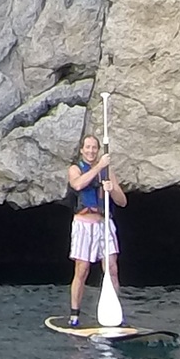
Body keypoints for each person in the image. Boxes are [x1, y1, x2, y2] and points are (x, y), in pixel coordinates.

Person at [65, 134, 127, 326]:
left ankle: (115, 313)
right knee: (82, 270)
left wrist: (111, 189)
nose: (91, 151)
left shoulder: (107, 172)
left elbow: (122, 202)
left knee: (111, 268)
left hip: (103, 224)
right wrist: (99, 167)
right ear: (82, 150)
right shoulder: (75, 169)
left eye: (94, 148)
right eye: (88, 147)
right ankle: (75, 314)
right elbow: (77, 184)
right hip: (83, 224)